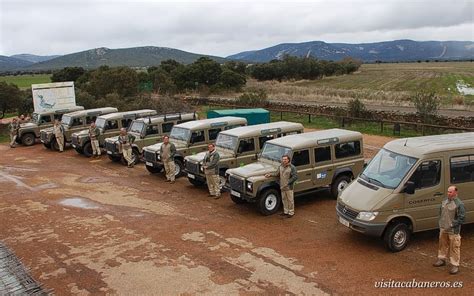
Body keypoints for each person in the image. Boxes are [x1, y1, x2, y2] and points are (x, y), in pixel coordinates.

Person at [433, 186, 465, 274]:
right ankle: (441, 259)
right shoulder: (444, 201)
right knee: (442, 245)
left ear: (455, 192)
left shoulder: (459, 204)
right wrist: (441, 223)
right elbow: (441, 212)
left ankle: (455, 265)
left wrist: (452, 225)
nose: (448, 193)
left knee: (454, 247)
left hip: (453, 231)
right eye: (448, 192)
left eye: (450, 192)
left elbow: (461, 218)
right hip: (443, 229)